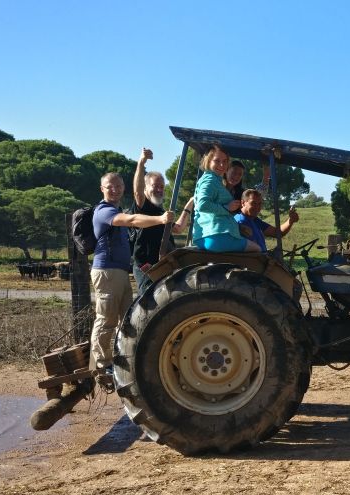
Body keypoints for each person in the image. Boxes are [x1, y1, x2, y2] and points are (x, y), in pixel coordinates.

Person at [90, 172, 174, 388]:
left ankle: (121, 360)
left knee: (126, 319)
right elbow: (133, 220)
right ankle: (100, 364)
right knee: (106, 318)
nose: (115, 189)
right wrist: (160, 219)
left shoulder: (116, 208)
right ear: (102, 188)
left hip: (120, 271)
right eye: (110, 186)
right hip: (106, 270)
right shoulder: (104, 211)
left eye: (119, 186)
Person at [130, 148, 191, 294]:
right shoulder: (143, 206)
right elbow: (137, 191)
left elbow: (177, 229)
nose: (159, 189)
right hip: (146, 265)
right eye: (155, 186)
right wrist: (141, 163)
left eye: (161, 187)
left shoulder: (161, 212)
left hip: (162, 263)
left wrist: (189, 205)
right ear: (146, 188)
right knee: (147, 299)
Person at [191, 145, 262, 252]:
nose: (221, 165)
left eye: (225, 161)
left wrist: (238, 227)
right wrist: (227, 207)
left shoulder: (215, 180)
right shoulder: (210, 180)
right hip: (216, 236)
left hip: (207, 236)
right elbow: (202, 205)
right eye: (217, 161)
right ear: (208, 161)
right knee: (257, 249)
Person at [234, 188, 300, 251]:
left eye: (259, 204)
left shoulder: (255, 220)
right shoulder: (238, 222)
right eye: (253, 203)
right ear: (243, 203)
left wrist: (290, 221)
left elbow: (276, 233)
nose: (257, 207)